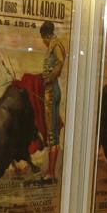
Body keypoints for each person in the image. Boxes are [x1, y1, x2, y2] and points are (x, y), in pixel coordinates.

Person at [37, 21, 66, 183]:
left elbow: (60, 63)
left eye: (43, 39)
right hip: (52, 90)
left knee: (52, 135)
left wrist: (49, 78)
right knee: (52, 134)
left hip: (52, 90)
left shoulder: (55, 45)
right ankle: (51, 172)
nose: (43, 42)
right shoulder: (54, 45)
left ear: (46, 35)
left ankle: (52, 173)